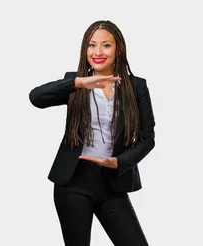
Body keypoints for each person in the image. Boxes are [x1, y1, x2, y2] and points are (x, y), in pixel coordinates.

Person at [29, 20, 155, 246]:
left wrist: (119, 162)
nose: (97, 52)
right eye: (91, 45)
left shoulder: (136, 86)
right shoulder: (76, 83)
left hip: (112, 185)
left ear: (119, 49)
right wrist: (77, 82)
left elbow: (148, 138)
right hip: (73, 184)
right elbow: (36, 97)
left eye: (106, 45)